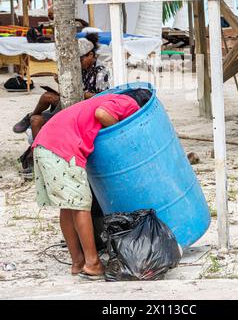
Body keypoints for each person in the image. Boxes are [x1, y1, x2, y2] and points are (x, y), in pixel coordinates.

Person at [31, 90, 151, 279]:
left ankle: (78, 262)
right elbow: (102, 115)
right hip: (63, 148)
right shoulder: (129, 103)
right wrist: (122, 134)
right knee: (81, 206)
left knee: (68, 206)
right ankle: (93, 263)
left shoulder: (105, 98)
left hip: (45, 144)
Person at [13, 33, 110, 173]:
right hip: (73, 104)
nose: (78, 62)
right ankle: (36, 157)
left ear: (90, 55)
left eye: (81, 59)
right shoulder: (81, 69)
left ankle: (34, 155)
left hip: (83, 110)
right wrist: (62, 82)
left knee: (47, 97)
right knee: (36, 119)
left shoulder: (100, 72)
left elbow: (103, 98)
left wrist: (82, 94)